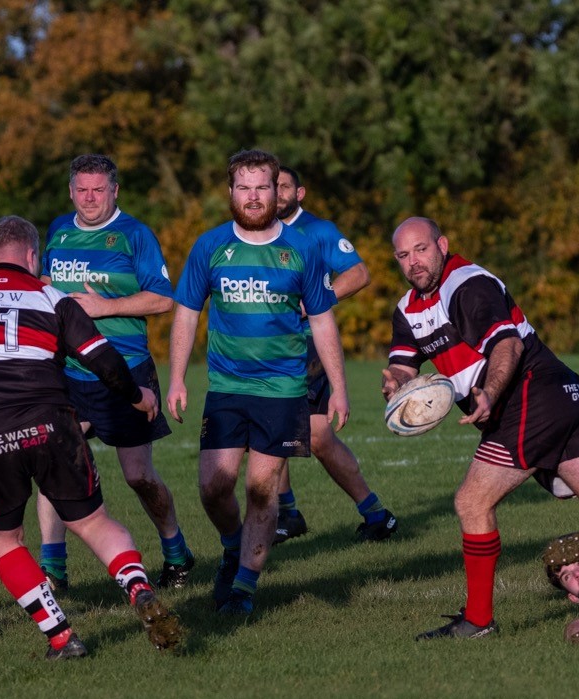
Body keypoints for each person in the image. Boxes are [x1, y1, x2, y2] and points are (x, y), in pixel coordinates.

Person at [385, 216, 579, 640]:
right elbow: (402, 364)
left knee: (472, 502)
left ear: (442, 245)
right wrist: (393, 384)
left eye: (422, 249)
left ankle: (479, 621)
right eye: (403, 255)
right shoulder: (407, 309)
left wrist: (488, 391)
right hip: (566, 394)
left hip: (531, 397)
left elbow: (509, 344)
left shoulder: (466, 285)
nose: (414, 262)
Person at [0, 215, 183, 660]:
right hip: (51, 424)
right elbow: (102, 360)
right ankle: (138, 586)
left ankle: (62, 637)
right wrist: (138, 395)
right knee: (92, 522)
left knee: (4, 541)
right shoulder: (50, 297)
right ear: (33, 256)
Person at [167, 149, 348, 615]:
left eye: (262, 187)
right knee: (213, 488)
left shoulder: (303, 247)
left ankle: (244, 589)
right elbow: (187, 313)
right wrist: (177, 378)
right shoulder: (209, 246)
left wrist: (339, 387)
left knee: (262, 488)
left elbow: (324, 321)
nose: (253, 197)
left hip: (284, 388)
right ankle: (233, 547)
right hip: (226, 388)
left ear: (276, 191)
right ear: (231, 193)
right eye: (243, 188)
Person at [36, 154, 192, 592]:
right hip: (67, 369)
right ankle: (55, 570)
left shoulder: (135, 235)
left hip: (124, 369)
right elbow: (48, 285)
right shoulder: (59, 230)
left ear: (115, 191)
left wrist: (106, 307)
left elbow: (163, 299)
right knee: (54, 462)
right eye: (82, 190)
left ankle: (176, 552)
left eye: (98, 190)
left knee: (138, 475)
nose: (89, 198)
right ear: (71, 192)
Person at [272, 166, 398, 544]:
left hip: (306, 346)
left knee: (270, 426)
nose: (275, 193)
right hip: (269, 347)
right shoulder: (257, 232)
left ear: (300, 192)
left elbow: (359, 273)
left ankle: (286, 514)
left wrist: (318, 302)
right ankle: (375, 514)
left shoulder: (319, 231)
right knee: (319, 437)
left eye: (283, 187)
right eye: (269, 186)